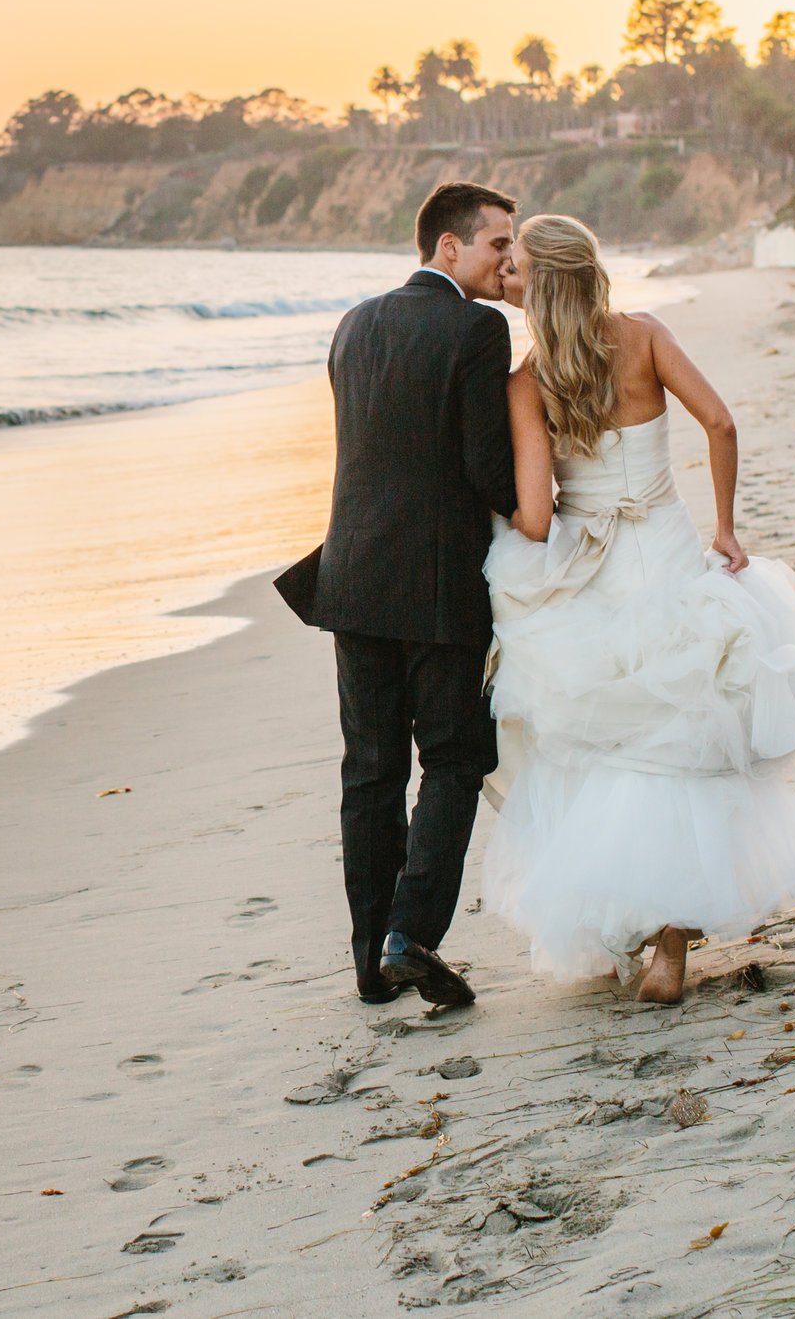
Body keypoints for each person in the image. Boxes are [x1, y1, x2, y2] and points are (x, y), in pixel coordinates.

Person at [481, 214, 795, 1003]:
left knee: (608, 748)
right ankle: (671, 945)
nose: (505, 274)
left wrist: (503, 524)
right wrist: (724, 524)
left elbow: (539, 520)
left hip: (594, 576)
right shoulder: (645, 337)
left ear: (541, 282)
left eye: (516, 266)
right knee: (689, 740)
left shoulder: (527, 379)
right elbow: (720, 421)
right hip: (674, 559)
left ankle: (625, 924)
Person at [274, 182, 518, 1007]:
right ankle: (411, 932)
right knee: (454, 757)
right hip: (440, 583)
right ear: (448, 246)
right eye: (496, 245)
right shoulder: (479, 328)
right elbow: (486, 466)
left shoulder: (354, 324)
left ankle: (370, 966)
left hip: (351, 577)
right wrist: (547, 508)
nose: (507, 261)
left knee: (369, 771)